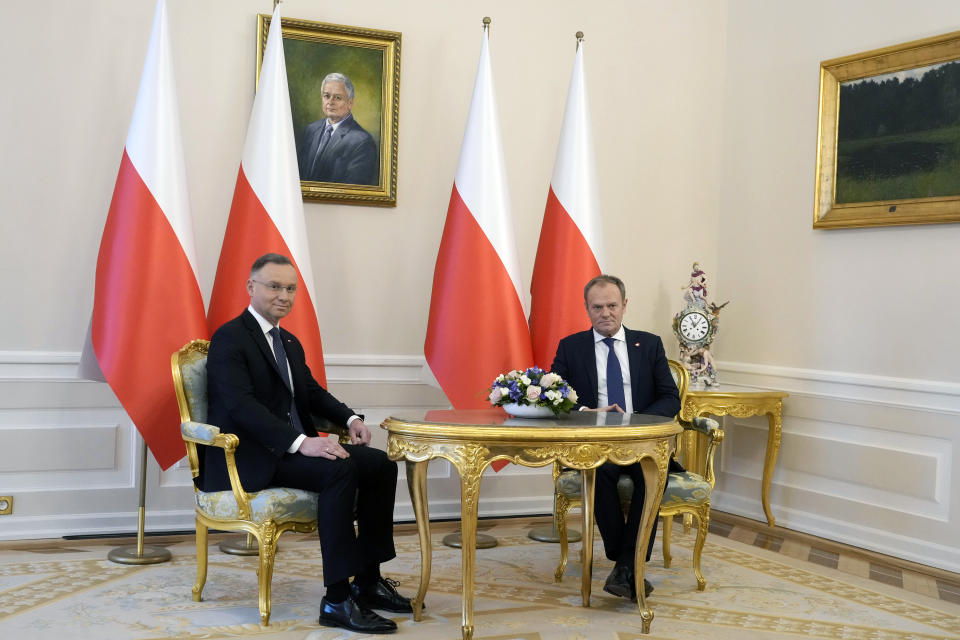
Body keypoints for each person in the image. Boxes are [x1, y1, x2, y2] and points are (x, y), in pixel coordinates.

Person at [201, 253, 409, 634]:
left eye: (291, 288)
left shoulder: (289, 341)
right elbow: (241, 406)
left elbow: (311, 393)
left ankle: (367, 581)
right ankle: (336, 600)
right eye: (275, 286)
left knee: (380, 464)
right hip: (250, 456)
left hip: (290, 450)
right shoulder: (230, 337)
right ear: (251, 288)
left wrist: (350, 418)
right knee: (339, 468)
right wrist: (301, 442)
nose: (284, 295)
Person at [550, 274, 683, 601]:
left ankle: (625, 564)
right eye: (597, 307)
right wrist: (586, 412)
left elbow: (670, 398)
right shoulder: (571, 347)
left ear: (624, 305)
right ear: (587, 308)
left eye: (612, 305)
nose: (605, 313)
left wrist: (633, 422)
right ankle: (627, 563)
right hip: (595, 447)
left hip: (642, 444)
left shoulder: (648, 344)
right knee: (598, 473)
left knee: (652, 477)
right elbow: (554, 400)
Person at [297, 72, 379, 185]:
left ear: (350, 103)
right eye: (326, 96)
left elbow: (354, 189)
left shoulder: (362, 141)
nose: (330, 102)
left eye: (337, 97)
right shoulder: (310, 130)